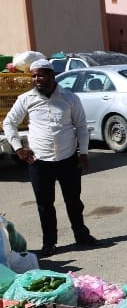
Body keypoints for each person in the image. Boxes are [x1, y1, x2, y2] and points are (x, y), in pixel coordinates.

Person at [2, 59, 98, 258]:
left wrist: (84, 154)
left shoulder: (69, 98)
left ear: (52, 76)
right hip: (39, 161)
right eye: (34, 75)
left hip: (68, 158)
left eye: (41, 74)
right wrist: (19, 148)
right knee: (45, 205)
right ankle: (49, 243)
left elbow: (81, 126)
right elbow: (9, 123)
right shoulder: (26, 99)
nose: (37, 79)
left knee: (74, 201)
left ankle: (81, 236)